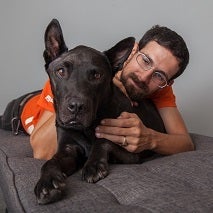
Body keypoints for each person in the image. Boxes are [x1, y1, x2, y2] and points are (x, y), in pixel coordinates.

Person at [0, 25, 194, 160]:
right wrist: (100, 88)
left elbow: (185, 143)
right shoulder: (72, 73)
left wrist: (150, 139)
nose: (145, 77)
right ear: (132, 51)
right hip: (22, 109)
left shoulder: (159, 87)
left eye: (159, 75)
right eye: (145, 60)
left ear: (168, 81)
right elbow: (44, 152)